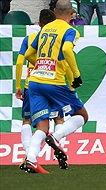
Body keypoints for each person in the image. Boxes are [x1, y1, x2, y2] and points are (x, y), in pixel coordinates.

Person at [24, 0, 88, 174]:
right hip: (54, 82)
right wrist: (76, 75)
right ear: (72, 12)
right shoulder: (70, 30)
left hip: (35, 81)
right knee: (82, 115)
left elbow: (29, 53)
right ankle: (56, 137)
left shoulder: (45, 29)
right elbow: (67, 50)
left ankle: (30, 159)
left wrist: (41, 66)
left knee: (41, 126)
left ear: (54, 11)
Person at [15, 9, 57, 171]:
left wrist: (18, 86)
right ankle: (32, 157)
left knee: (26, 121)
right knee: (49, 124)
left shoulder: (30, 38)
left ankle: (28, 155)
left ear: (39, 24)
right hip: (49, 84)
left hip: (29, 85)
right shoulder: (55, 40)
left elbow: (20, 62)